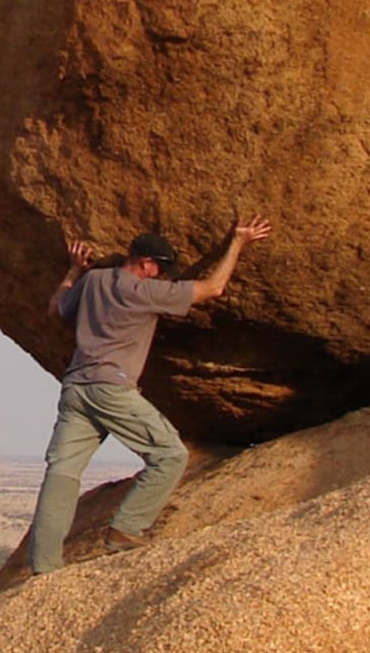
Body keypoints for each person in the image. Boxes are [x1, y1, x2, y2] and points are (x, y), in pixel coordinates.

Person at [25, 217, 273, 575]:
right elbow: (214, 288)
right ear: (145, 264)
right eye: (159, 268)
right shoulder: (144, 292)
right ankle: (126, 530)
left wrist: (73, 270)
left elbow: (56, 308)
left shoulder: (93, 280)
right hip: (113, 389)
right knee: (170, 455)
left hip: (76, 389)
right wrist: (238, 242)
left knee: (62, 472)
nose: (161, 276)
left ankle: (44, 566)